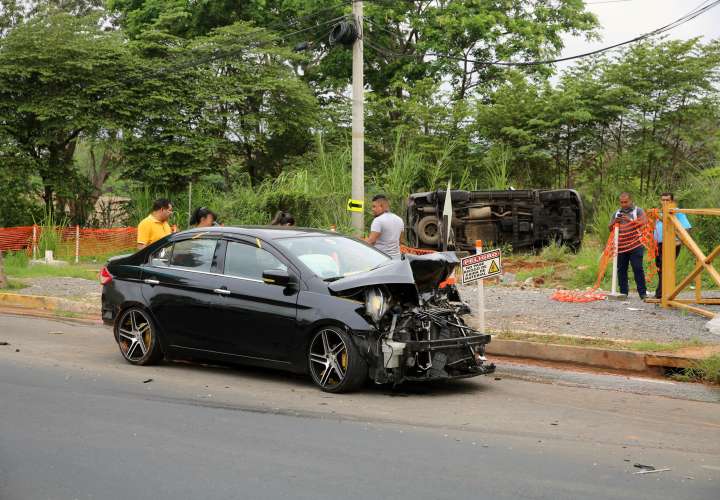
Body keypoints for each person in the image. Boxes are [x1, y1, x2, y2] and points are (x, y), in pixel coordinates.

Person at [608, 192, 647, 300]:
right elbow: (610, 228)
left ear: (631, 200)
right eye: (622, 202)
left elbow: (644, 222)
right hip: (621, 246)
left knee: (638, 268)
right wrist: (616, 221)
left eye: (626, 202)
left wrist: (629, 220)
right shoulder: (616, 213)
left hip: (636, 245)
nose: (624, 204)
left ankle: (642, 293)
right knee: (621, 269)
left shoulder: (638, 211)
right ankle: (623, 293)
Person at [653, 192, 691, 299]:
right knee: (660, 268)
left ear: (672, 201)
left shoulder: (677, 212)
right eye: (663, 200)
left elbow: (686, 229)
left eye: (667, 200)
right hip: (658, 245)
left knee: (665, 267)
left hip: (672, 244)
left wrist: (679, 241)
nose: (665, 202)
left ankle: (661, 294)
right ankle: (663, 293)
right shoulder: (659, 213)